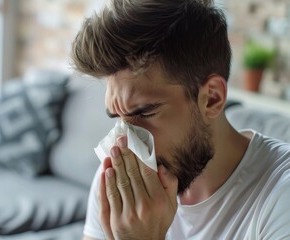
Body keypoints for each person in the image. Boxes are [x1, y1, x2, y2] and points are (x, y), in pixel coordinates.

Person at [71, 0, 290, 239]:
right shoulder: (122, 180)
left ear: (212, 99)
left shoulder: (279, 195)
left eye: (144, 113)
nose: (126, 144)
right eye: (117, 118)